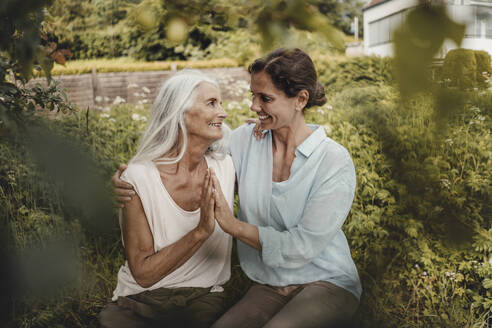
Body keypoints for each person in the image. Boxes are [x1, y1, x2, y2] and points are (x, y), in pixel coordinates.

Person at [114, 48, 361, 328]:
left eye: (265, 98)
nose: (254, 106)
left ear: (300, 100)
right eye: (253, 96)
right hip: (270, 283)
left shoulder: (333, 160)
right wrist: (132, 176)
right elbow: (190, 150)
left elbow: (302, 246)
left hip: (326, 280)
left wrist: (232, 225)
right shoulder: (245, 140)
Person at [100, 70, 235, 328]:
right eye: (211, 103)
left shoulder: (225, 167)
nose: (223, 112)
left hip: (204, 296)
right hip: (140, 298)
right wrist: (201, 232)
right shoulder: (139, 178)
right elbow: (143, 274)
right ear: (180, 112)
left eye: (220, 103)